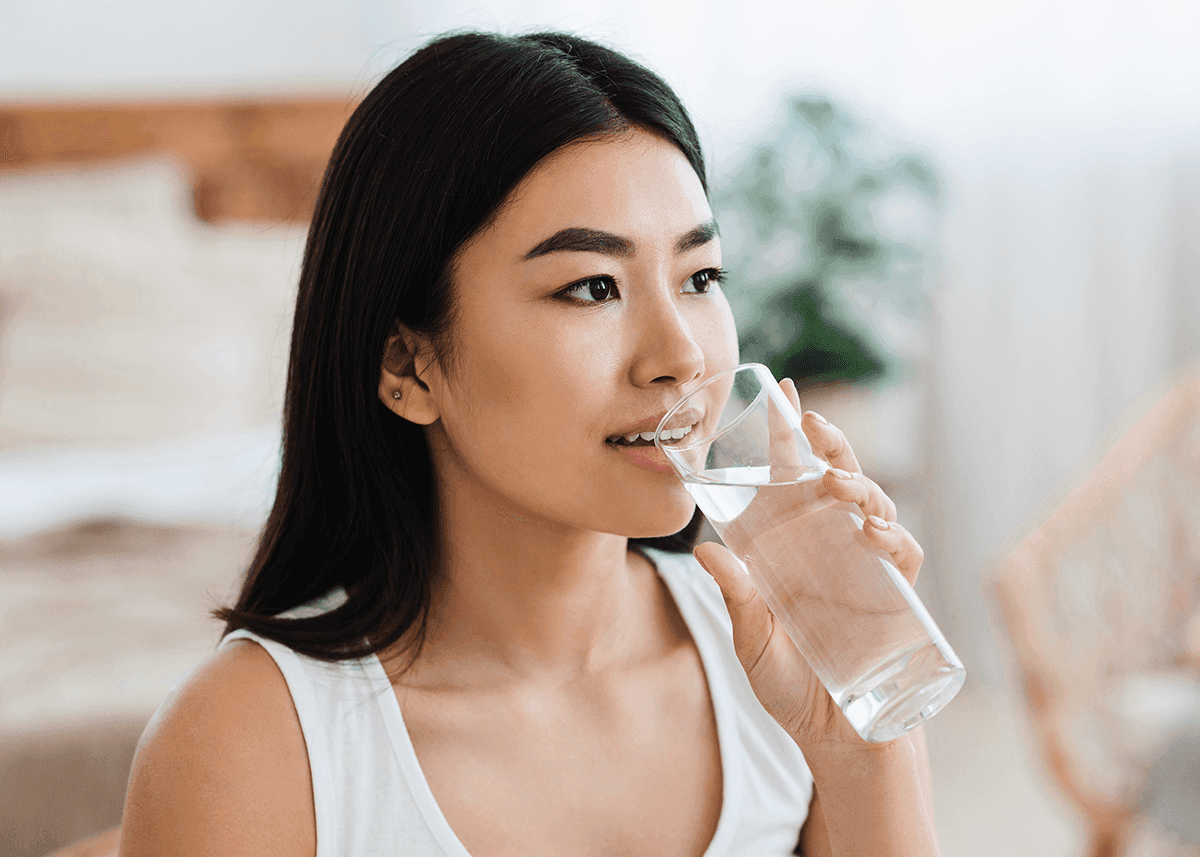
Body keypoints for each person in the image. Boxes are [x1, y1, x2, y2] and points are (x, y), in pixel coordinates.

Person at [118, 31, 940, 856]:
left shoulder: (776, 661)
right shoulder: (249, 745)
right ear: (408, 364)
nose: (682, 356)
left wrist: (865, 742)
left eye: (700, 277)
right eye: (592, 287)